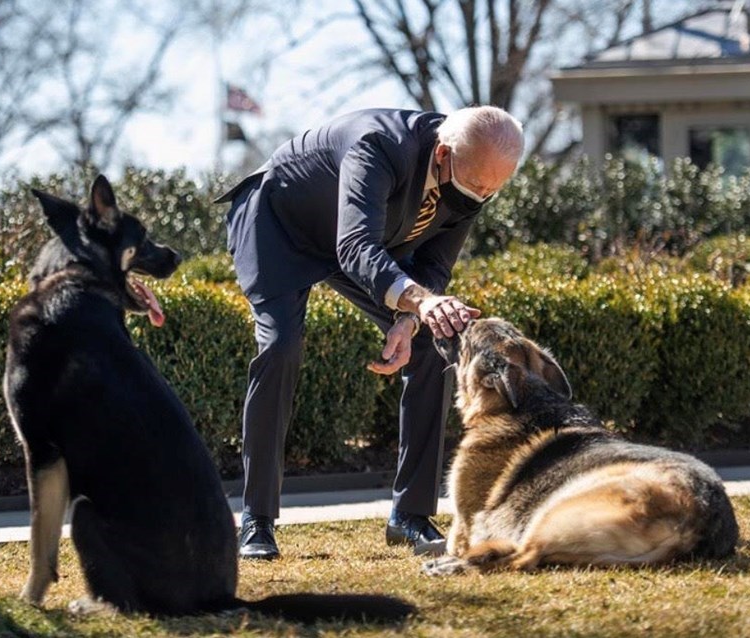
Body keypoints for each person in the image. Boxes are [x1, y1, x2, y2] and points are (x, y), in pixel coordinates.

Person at [216, 106, 524, 560]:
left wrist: (410, 319)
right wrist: (419, 300)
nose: (481, 197)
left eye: (492, 190)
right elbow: (356, 246)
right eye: (477, 186)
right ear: (441, 153)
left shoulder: (473, 171)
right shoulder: (378, 146)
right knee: (281, 345)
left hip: (357, 243)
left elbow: (434, 265)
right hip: (277, 225)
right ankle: (256, 520)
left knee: (433, 346)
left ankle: (409, 517)